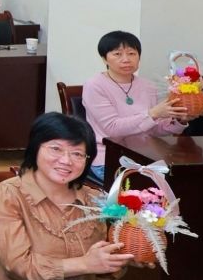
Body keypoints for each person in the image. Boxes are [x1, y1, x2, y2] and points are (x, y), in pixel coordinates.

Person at [0, 113, 134, 280]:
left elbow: (99, 271)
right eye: (56, 149)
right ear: (35, 148)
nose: (66, 160)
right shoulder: (8, 194)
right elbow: (18, 266)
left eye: (77, 154)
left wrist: (123, 258)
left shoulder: (94, 199)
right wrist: (85, 264)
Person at [80, 30, 191, 180]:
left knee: (187, 181)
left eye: (132, 53)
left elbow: (154, 129)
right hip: (109, 158)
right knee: (148, 190)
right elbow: (112, 129)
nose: (126, 59)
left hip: (145, 157)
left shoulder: (148, 86)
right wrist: (153, 113)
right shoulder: (94, 85)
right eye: (117, 54)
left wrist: (179, 120)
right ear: (104, 59)